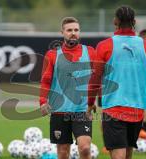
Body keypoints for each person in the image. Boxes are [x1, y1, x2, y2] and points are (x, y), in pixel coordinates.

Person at [88, 6, 146, 159]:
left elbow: (94, 79)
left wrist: (90, 103)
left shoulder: (104, 46)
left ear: (115, 21)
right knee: (128, 153)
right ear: (134, 22)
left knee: (119, 155)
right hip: (137, 111)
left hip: (113, 109)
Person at [39, 17, 96, 159]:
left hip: (82, 110)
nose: (73, 33)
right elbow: (45, 81)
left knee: (85, 148)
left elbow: (98, 79)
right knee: (63, 152)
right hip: (59, 111)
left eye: (76, 30)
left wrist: (94, 101)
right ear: (62, 32)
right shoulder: (52, 55)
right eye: (69, 30)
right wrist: (42, 102)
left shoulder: (90, 52)